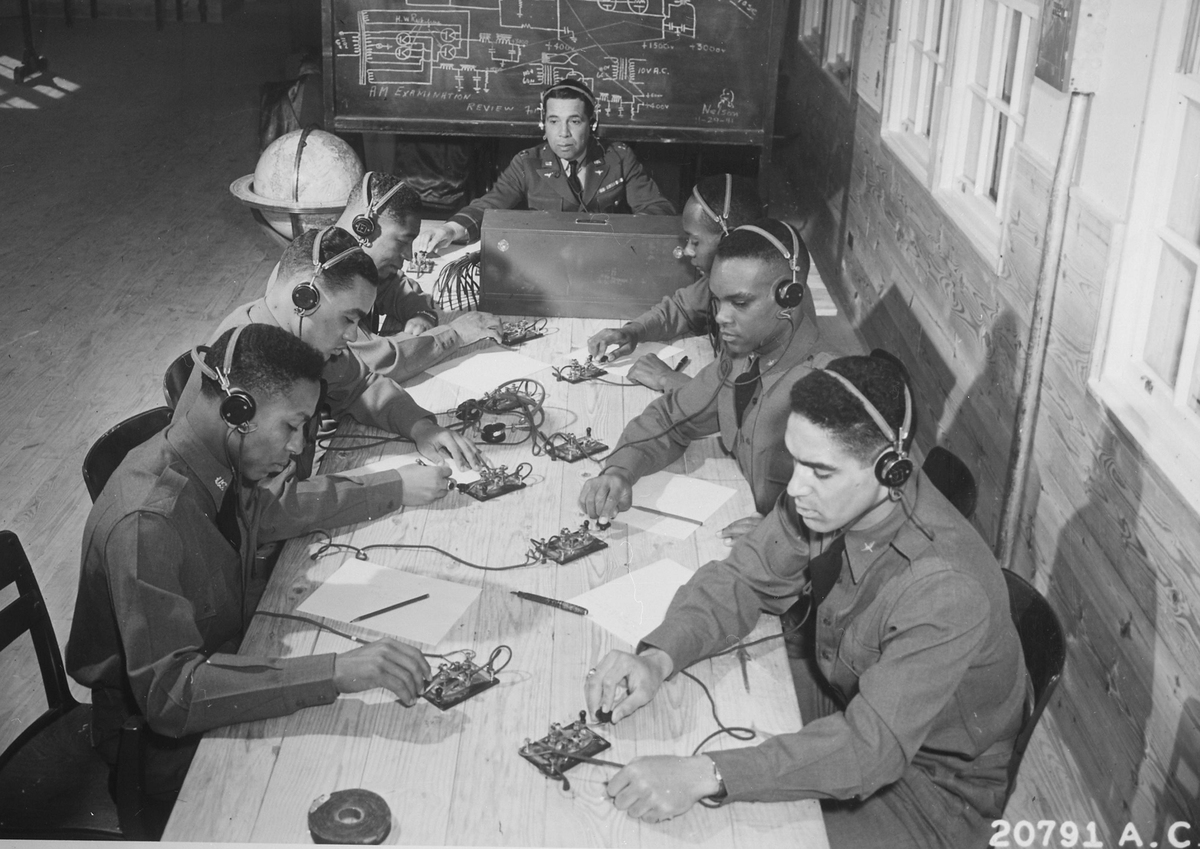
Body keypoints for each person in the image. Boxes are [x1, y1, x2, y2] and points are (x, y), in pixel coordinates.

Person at [583, 355, 1028, 849]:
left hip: (931, 790)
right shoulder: (833, 499)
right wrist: (658, 658)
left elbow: (867, 751)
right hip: (847, 693)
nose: (795, 488)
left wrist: (705, 774)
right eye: (796, 460)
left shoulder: (945, 588)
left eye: (820, 471)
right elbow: (744, 579)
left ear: (891, 470)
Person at [67, 324, 434, 806]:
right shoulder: (148, 522)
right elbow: (173, 697)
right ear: (237, 409)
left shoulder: (211, 457)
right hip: (156, 745)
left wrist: (391, 488)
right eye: (291, 425)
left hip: (225, 659)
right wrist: (336, 671)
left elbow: (270, 512)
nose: (300, 446)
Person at [176, 226, 478, 537]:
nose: (351, 335)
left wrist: (421, 427)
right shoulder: (253, 363)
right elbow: (265, 509)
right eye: (348, 319)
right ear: (304, 297)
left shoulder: (300, 335)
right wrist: (394, 487)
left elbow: (359, 383)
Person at [578, 219, 849, 543]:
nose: (720, 317)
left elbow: (861, 506)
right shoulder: (742, 357)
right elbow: (673, 417)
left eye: (740, 302)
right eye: (719, 301)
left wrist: (793, 531)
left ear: (789, 297)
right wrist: (620, 470)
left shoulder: (829, 388)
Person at [412, 78, 676, 253]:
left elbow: (658, 210)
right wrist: (448, 230)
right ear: (543, 125)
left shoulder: (618, 158)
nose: (562, 133)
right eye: (553, 121)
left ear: (591, 123)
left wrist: (624, 234)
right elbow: (488, 207)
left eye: (574, 121)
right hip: (549, 261)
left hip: (608, 259)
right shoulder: (528, 162)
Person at [586, 173, 764, 392]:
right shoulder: (730, 280)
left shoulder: (762, 311)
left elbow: (741, 404)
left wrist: (666, 379)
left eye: (695, 241)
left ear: (730, 241)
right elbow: (681, 308)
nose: (687, 251)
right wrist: (634, 332)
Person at [335, 171, 502, 382]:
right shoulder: (328, 282)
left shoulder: (348, 260)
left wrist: (421, 313)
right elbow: (374, 362)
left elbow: (394, 287)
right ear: (364, 228)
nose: (407, 256)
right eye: (402, 242)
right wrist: (455, 334)